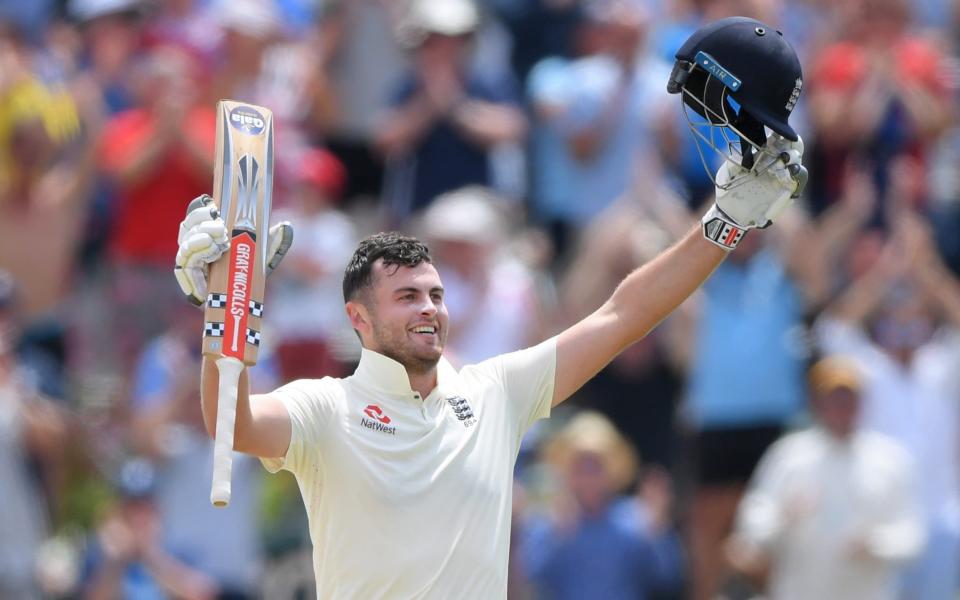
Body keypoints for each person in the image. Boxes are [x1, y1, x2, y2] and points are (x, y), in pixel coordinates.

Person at [172, 17, 807, 598]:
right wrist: (222, 310)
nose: (429, 309)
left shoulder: (495, 392)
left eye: (436, 294)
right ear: (358, 320)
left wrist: (725, 224)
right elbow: (232, 422)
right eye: (406, 297)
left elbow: (623, 314)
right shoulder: (325, 406)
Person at [724, 355, 925, 600]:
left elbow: (913, 537)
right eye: (833, 398)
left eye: (848, 398)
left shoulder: (889, 459)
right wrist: (785, 517)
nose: (841, 407)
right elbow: (752, 526)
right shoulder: (789, 456)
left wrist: (873, 543)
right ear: (817, 402)